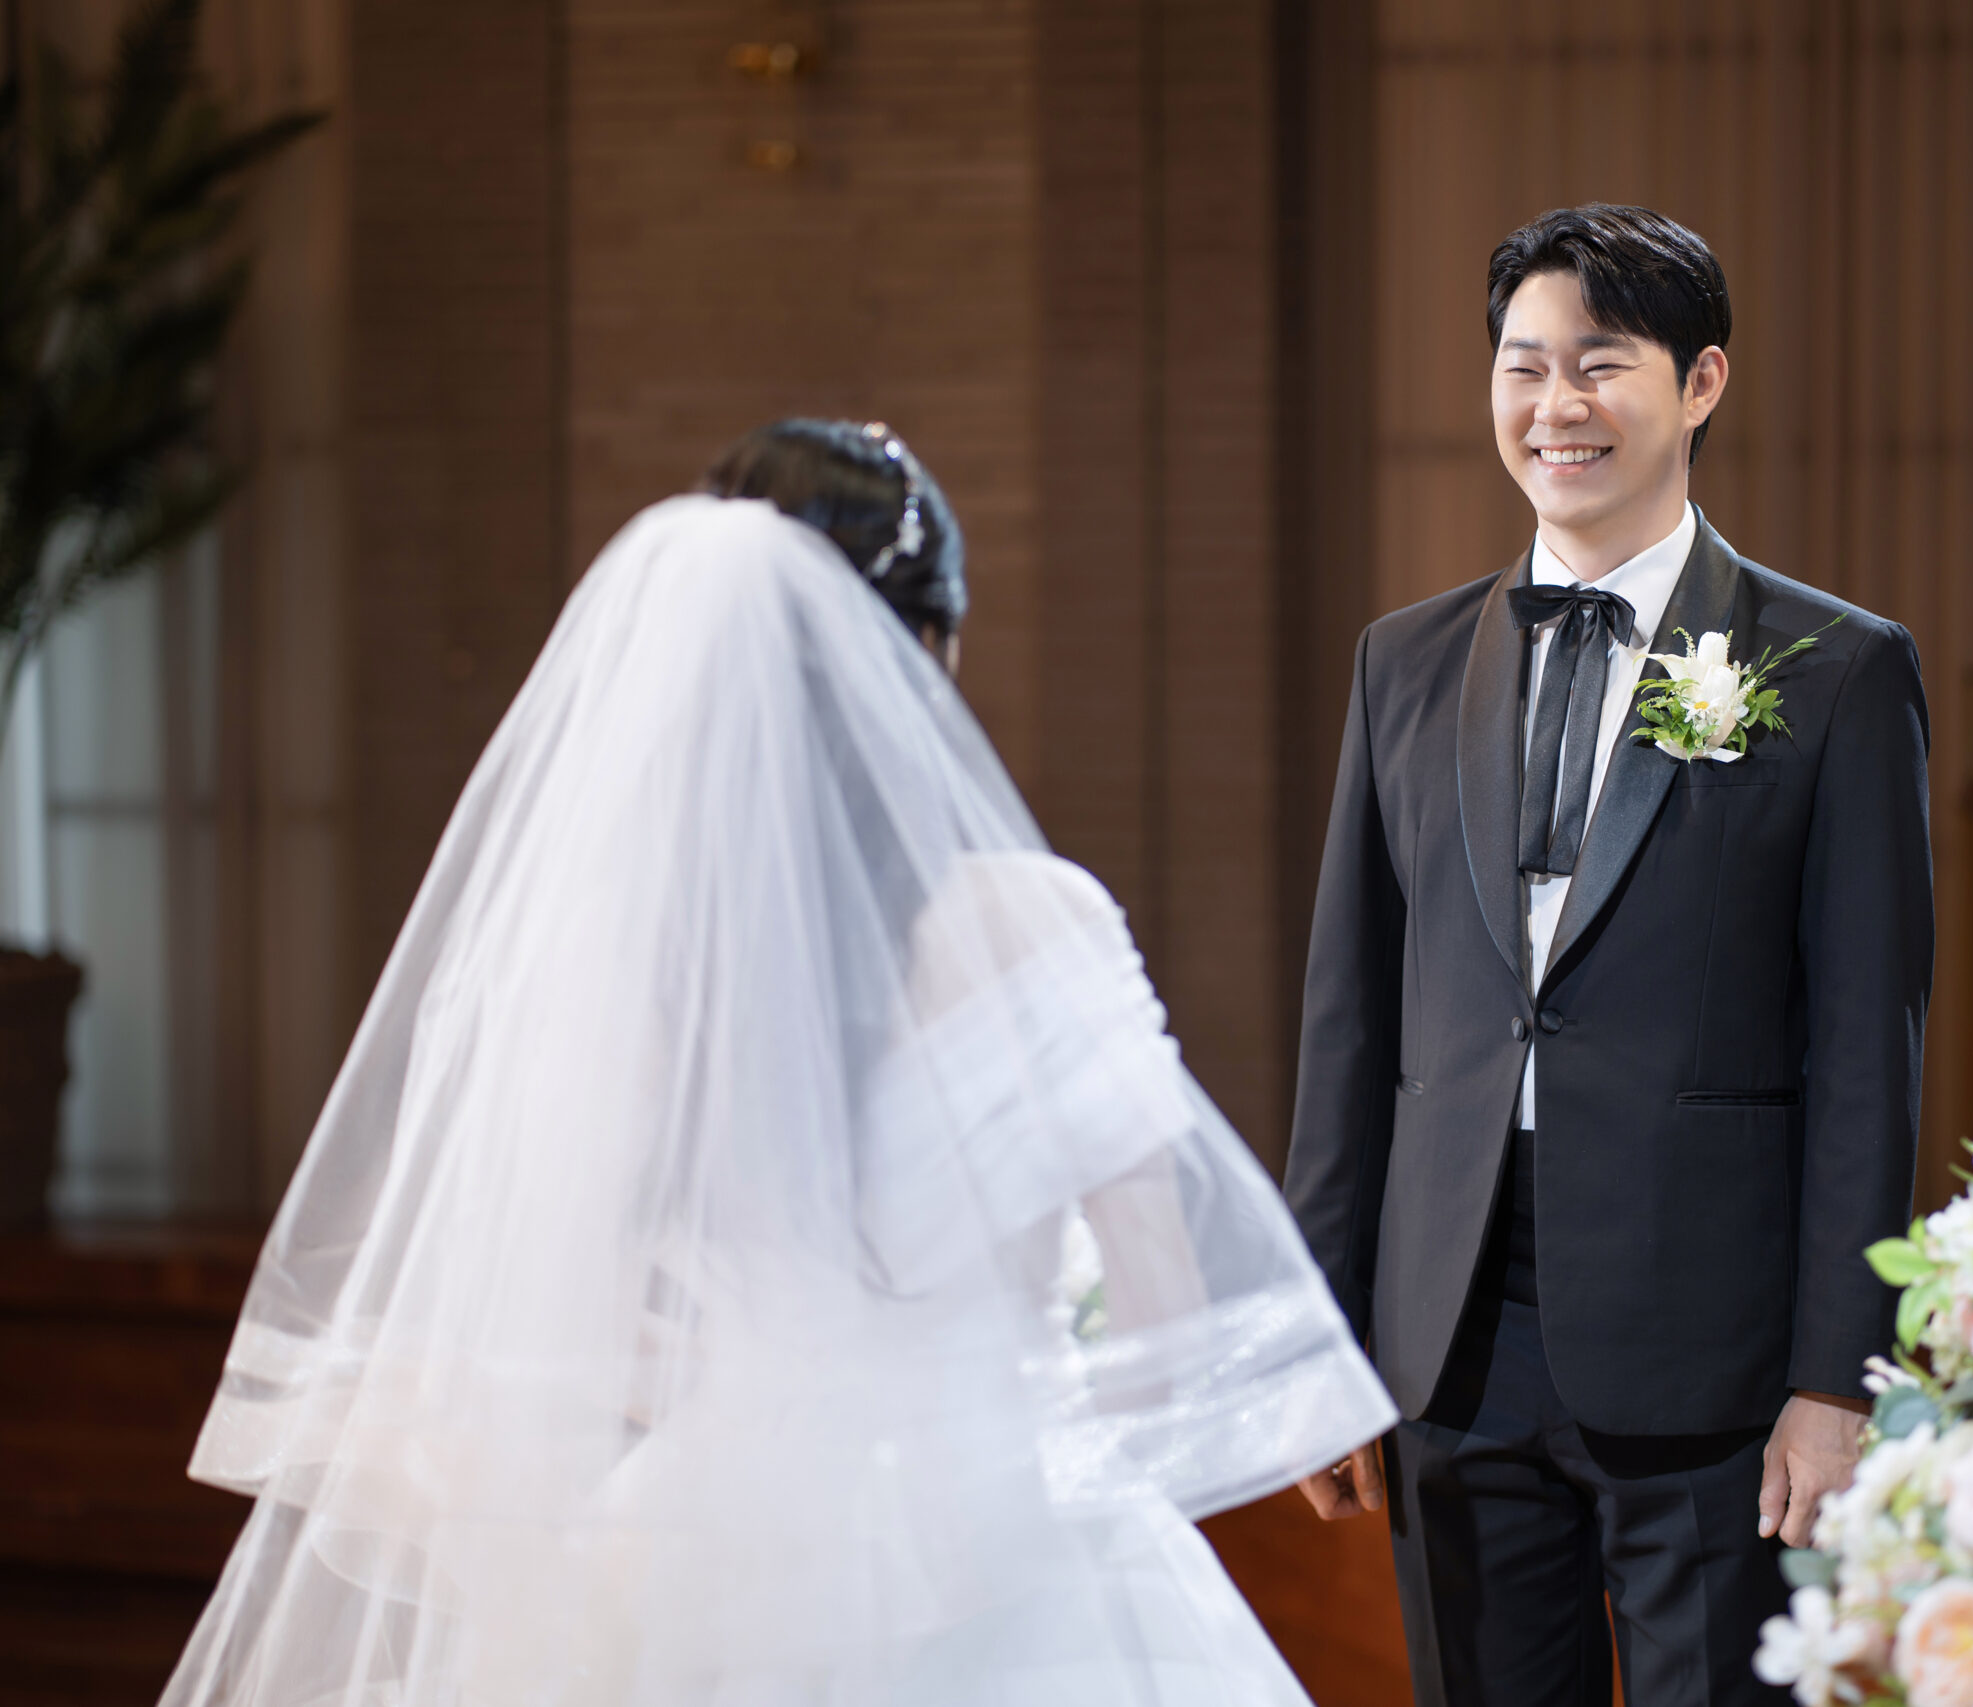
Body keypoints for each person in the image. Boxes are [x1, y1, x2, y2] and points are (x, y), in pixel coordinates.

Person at [160, 419, 1396, 1707]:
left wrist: (760, 1376)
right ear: (924, 654)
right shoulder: (1038, 926)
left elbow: (581, 1330)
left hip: (695, 1556)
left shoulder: (633, 960)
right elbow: (1165, 1333)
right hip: (998, 1555)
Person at [1284, 207, 1933, 1707]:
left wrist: (1835, 1378)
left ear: (1701, 383)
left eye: (1599, 364)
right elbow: (1349, 1023)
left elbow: (1867, 1054)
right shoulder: (1402, 664)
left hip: (1714, 1348)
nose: (1554, 405)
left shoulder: (1837, 671)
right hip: (1452, 1334)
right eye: (1523, 367)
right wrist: (1321, 1335)